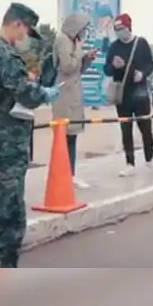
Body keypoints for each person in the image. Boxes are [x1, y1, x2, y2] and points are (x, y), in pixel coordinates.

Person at [0, 2, 60, 268]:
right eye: (26, 32)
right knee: (7, 218)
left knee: (5, 214)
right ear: (17, 24)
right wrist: (43, 94)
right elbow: (25, 93)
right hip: (6, 144)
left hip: (2, 141)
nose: (26, 40)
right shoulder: (4, 55)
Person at [103, 13, 153, 176]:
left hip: (140, 93)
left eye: (122, 28)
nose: (120, 32)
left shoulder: (141, 43)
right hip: (122, 94)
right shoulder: (114, 47)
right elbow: (106, 70)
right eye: (117, 29)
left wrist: (143, 74)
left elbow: (151, 64)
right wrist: (114, 66)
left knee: (146, 128)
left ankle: (150, 159)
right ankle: (129, 163)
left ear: (129, 27)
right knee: (126, 129)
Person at [52, 13, 98, 188]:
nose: (84, 32)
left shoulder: (73, 42)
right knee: (63, 137)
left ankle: (70, 173)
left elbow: (78, 70)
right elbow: (67, 66)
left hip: (74, 94)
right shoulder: (62, 40)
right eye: (83, 28)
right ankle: (62, 174)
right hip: (64, 95)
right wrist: (80, 51)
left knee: (72, 136)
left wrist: (87, 59)